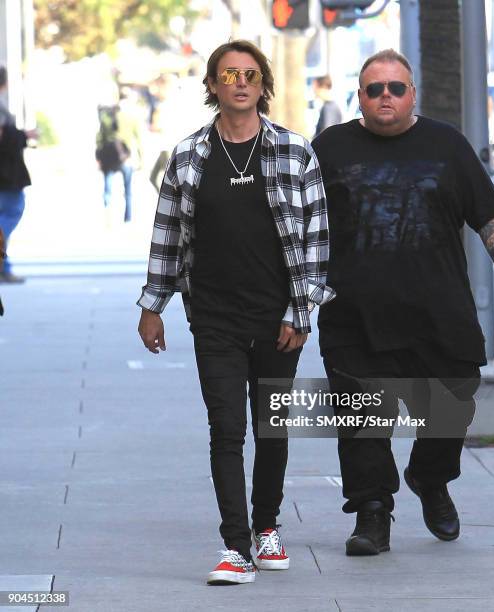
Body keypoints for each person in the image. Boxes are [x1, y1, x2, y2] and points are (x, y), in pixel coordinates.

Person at [137, 40, 334, 585]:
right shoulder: (188, 156)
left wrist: (302, 310)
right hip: (215, 317)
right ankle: (235, 546)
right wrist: (154, 305)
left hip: (278, 317)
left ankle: (267, 525)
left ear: (263, 84)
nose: (240, 82)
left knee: (271, 429)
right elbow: (169, 235)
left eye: (250, 74)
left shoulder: (295, 152)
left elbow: (317, 240)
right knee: (226, 428)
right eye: (230, 74)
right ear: (213, 85)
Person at [312, 49, 494, 557]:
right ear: (360, 96)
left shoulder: (447, 145)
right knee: (362, 423)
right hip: (354, 317)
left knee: (454, 403)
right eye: (374, 89)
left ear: (412, 94)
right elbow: (299, 225)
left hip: (439, 313)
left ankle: (429, 476)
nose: (385, 97)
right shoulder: (329, 148)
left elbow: (489, 215)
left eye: (395, 88)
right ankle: (372, 515)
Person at [0, 98, 35, 284]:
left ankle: (4, 268)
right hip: (6, 175)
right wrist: (23, 136)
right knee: (11, 212)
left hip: (7, 175)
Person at [95, 88, 142, 223]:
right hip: (125, 158)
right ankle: (128, 218)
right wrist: (141, 160)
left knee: (108, 187)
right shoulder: (132, 118)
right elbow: (139, 141)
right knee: (128, 190)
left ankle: (107, 214)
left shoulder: (107, 117)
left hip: (109, 157)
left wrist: (98, 157)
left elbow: (99, 139)